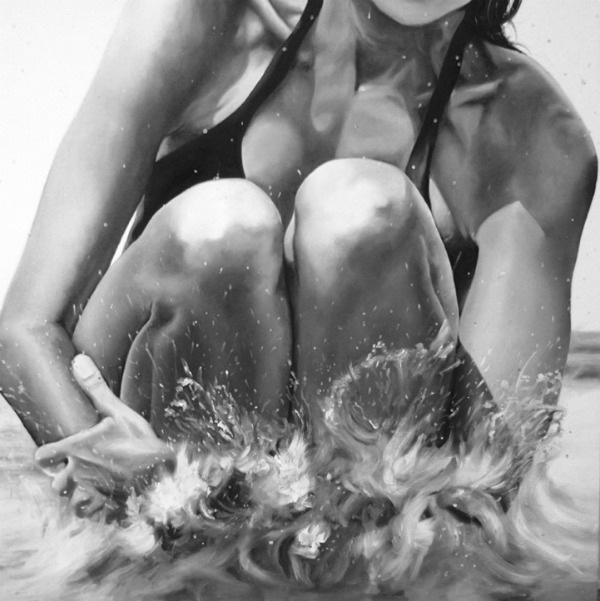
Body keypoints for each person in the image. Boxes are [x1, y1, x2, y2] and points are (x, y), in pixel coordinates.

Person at [0, 0, 595, 519]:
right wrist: (115, 477)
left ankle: (321, 555)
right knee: (221, 231)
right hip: (155, 468)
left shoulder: (534, 138)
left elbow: (484, 490)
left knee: (363, 215)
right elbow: (25, 328)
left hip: (359, 508)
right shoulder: (205, 21)